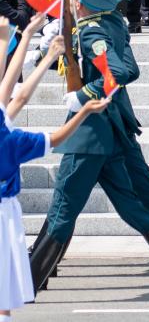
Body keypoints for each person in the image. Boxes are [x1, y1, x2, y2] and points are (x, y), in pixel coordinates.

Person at [30, 0, 149, 300]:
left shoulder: (91, 31)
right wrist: (45, 54)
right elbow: (99, 64)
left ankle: (26, 284)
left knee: (63, 209)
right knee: (133, 206)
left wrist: (84, 95)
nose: (70, 2)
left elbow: (118, 72)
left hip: (90, 132)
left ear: (82, 1)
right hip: (108, 131)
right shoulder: (106, 24)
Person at [1, 46, 110, 320]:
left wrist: (22, 40)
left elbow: (16, 96)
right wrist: (83, 111)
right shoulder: (11, 141)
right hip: (4, 215)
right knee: (4, 294)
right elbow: (54, 135)